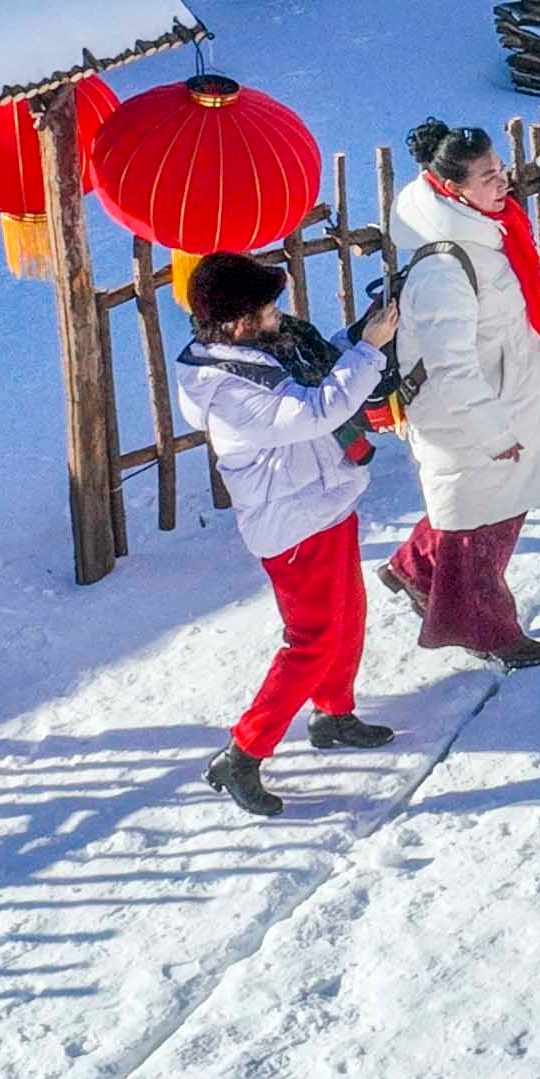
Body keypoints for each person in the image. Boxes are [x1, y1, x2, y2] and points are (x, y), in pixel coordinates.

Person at [173, 247, 404, 816]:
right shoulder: (227, 390)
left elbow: (318, 370)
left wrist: (359, 338)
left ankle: (333, 713)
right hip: (292, 526)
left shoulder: (261, 350)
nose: (280, 316)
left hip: (322, 500)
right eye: (269, 310)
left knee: (348, 614)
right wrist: (370, 349)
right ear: (237, 323)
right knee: (312, 642)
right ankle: (243, 753)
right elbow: (316, 410)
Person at [381, 119, 540, 667]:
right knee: (481, 528)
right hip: (468, 417)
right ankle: (486, 630)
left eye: (500, 168)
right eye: (488, 176)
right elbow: (451, 366)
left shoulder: (484, 231)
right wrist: (493, 433)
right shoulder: (444, 268)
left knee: (486, 508)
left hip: (502, 396)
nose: (502, 181)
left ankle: (417, 567)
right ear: (452, 188)